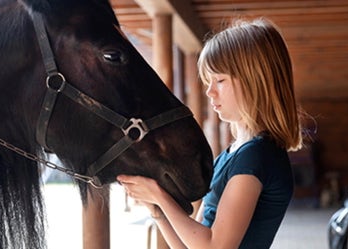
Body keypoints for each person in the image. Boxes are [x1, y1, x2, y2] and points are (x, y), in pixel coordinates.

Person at [117, 17, 303, 249]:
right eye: (208, 81)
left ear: (255, 80)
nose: (210, 91)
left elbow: (215, 247)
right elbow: (190, 246)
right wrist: (156, 208)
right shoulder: (233, 154)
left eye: (220, 80)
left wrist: (160, 196)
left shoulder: (256, 157)